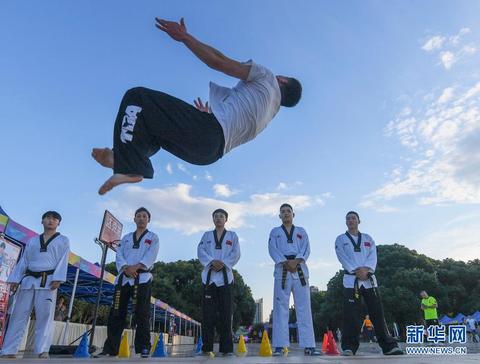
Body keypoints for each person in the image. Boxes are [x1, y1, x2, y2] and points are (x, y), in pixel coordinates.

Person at [92, 17, 302, 195]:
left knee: (136, 97)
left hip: (208, 131)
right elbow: (232, 124)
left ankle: (128, 166)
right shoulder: (268, 114)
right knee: (152, 128)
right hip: (208, 153)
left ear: (282, 81)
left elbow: (219, 61)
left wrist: (185, 37)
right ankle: (125, 161)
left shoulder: (266, 77)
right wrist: (209, 115)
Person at [0, 211, 70, 359]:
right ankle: (8, 350)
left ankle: (42, 350)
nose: (51, 221)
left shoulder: (63, 240)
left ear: (59, 223)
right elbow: (24, 261)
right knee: (18, 315)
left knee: (44, 317)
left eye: (54, 219)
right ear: (42, 221)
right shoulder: (32, 241)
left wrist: (58, 278)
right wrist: (15, 279)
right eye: (48, 218)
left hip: (48, 281)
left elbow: (63, 260)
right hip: (28, 281)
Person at [335, 211, 402, 356]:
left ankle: (389, 346)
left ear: (359, 221)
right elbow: (342, 257)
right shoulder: (340, 239)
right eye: (348, 219)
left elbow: (373, 256)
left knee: (378, 313)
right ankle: (349, 347)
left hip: (369, 280)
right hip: (351, 280)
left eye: (353, 218)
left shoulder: (368, 238)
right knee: (351, 315)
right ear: (346, 222)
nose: (351, 220)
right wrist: (356, 270)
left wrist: (367, 270)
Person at [98, 207, 159, 358]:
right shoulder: (126, 238)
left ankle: (144, 347)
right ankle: (111, 348)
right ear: (134, 219)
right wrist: (125, 267)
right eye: (138, 216)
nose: (141, 218)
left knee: (142, 313)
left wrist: (136, 267)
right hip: (124, 279)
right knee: (117, 313)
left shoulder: (153, 237)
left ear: (148, 220)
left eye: (144, 216)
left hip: (142, 278)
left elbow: (151, 255)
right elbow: (119, 254)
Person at [268, 203, 322, 356]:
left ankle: (309, 345)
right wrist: (285, 262)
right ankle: (279, 346)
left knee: (304, 307)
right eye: (283, 212)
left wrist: (297, 261)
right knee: (280, 309)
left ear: (293, 214)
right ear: (279, 215)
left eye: (288, 211)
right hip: (282, 270)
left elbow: (307, 249)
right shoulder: (275, 232)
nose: (286, 214)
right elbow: (272, 249)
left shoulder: (301, 231)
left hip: (299, 269)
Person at [197, 209, 240, 356]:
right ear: (213, 219)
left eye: (221, 216)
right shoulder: (207, 235)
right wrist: (212, 262)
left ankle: (226, 349)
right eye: (216, 216)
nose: (219, 218)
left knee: (226, 314)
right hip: (209, 279)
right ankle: (206, 348)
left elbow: (236, 253)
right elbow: (200, 250)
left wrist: (223, 263)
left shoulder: (232, 236)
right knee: (207, 315)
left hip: (225, 279)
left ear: (226, 219)